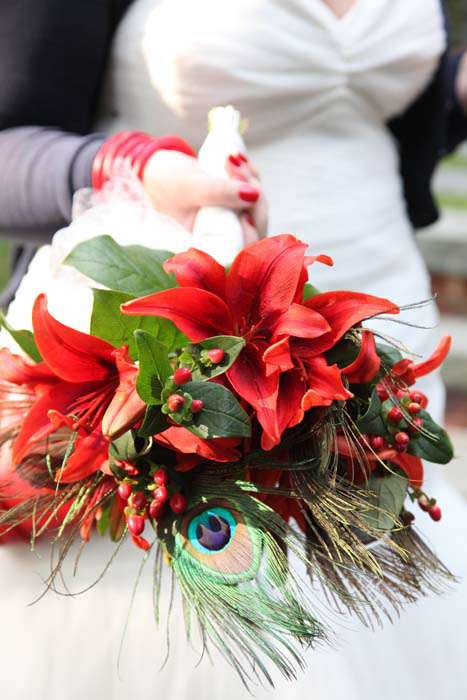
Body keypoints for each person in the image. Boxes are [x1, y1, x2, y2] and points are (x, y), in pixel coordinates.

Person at [0, 1, 466, 698]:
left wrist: (455, 86)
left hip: (376, 325)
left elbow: (372, 106)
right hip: (174, 337)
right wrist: (130, 166)